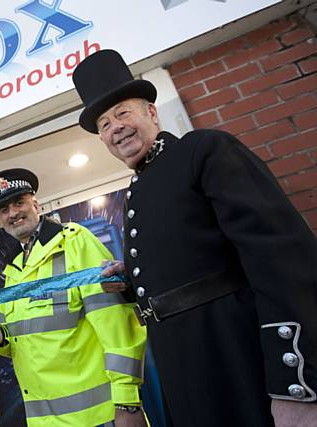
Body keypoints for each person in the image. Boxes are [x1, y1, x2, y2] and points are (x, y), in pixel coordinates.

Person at [71, 49, 317, 426]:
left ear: (151, 113)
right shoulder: (134, 191)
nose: (114, 127)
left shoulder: (204, 150)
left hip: (235, 356)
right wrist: (129, 279)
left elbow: (281, 261)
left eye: (122, 113)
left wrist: (294, 384)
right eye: (104, 124)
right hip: (180, 367)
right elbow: (189, 264)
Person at [0, 168, 148, 426]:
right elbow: (29, 342)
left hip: (100, 417)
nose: (13, 213)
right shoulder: (13, 271)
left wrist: (127, 402)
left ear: (36, 204)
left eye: (19, 202)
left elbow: (117, 325)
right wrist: (1, 339)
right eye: (4, 210)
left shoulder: (74, 242)